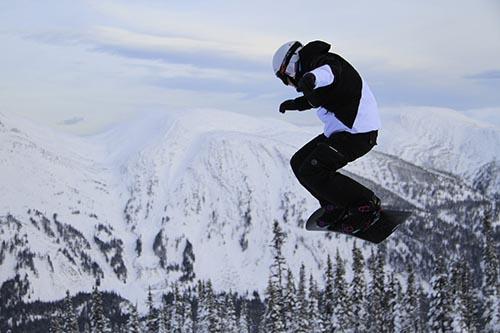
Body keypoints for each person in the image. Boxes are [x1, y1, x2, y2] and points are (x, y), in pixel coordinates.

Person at [272, 40, 382, 232]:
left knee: (313, 170)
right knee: (298, 162)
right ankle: (334, 204)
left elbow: (329, 73)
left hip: (357, 134)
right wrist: (296, 104)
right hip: (344, 132)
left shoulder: (325, 63)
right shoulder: (314, 69)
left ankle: (366, 205)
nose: (289, 84)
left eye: (285, 79)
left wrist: (311, 79)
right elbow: (319, 96)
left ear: (289, 66)